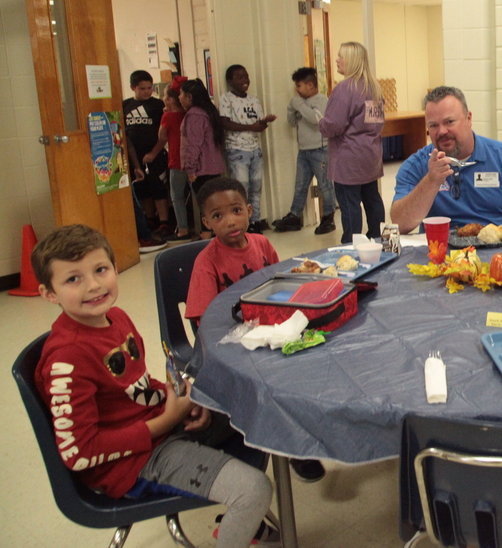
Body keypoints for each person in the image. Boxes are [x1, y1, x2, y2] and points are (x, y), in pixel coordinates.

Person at [31, 225, 279, 548]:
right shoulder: (66, 359)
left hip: (158, 425)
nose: (93, 285)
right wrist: (165, 421)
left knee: (256, 408)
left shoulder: (116, 318)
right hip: (131, 464)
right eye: (73, 279)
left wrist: (187, 399)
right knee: (254, 490)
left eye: (100, 270)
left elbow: (136, 387)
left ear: (115, 268)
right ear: (49, 293)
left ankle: (244, 524)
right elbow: (79, 453)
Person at [184, 177, 324, 483]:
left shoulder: (261, 244)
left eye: (236, 210)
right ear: (207, 222)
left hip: (271, 328)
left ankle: (304, 436)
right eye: (218, 216)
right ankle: (289, 448)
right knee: (269, 382)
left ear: (249, 209)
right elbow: (204, 322)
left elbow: (282, 283)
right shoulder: (206, 262)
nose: (230, 221)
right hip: (234, 341)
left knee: (307, 365)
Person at [390, 86, 502, 233]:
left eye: (449, 122)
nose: (442, 131)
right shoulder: (416, 165)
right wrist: (431, 181)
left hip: (496, 250)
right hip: (439, 252)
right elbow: (400, 224)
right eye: (433, 125)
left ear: (468, 118)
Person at [318, 43, 386, 244]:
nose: (337, 60)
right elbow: (377, 122)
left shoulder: (344, 89)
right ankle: (377, 237)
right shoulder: (374, 88)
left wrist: (321, 123)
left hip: (348, 158)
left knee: (350, 204)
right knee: (372, 199)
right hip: (370, 155)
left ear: (352, 61)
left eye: (340, 56)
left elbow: (333, 125)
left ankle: (351, 245)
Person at [273, 67, 337, 235]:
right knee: (300, 185)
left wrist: (298, 104)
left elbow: (316, 119)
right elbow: (292, 122)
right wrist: (291, 108)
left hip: (320, 150)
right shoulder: (300, 103)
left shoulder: (321, 100)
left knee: (325, 185)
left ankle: (328, 218)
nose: (296, 89)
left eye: (299, 85)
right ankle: (294, 216)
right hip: (304, 151)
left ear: (310, 85)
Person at [221, 65, 276, 233]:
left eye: (246, 76)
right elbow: (225, 123)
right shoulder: (226, 99)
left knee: (256, 187)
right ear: (230, 82)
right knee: (241, 189)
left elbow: (258, 125)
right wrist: (251, 127)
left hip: (255, 149)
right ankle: (242, 223)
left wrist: (264, 122)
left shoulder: (254, 100)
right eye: (239, 77)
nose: (245, 80)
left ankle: (255, 221)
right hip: (237, 150)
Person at [123, 70, 172, 236]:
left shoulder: (158, 106)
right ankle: (149, 218)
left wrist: (154, 152)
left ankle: (164, 221)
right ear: (133, 87)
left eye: (149, 88)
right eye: (142, 88)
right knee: (142, 189)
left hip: (155, 153)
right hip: (134, 155)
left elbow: (165, 134)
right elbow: (125, 135)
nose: (147, 92)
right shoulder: (125, 105)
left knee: (158, 187)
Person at [144, 76, 191, 241]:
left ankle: (183, 229)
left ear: (170, 99)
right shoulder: (189, 114)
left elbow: (161, 136)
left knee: (176, 196)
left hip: (177, 161)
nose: (162, 99)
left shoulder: (167, 118)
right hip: (193, 161)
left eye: (164, 96)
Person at [180, 79, 226, 239]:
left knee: (205, 204)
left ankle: (207, 235)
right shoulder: (209, 112)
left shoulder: (195, 116)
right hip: (213, 168)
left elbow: (194, 145)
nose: (180, 97)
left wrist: (191, 169)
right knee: (212, 202)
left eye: (181, 94)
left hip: (202, 169)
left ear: (190, 97)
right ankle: (211, 233)